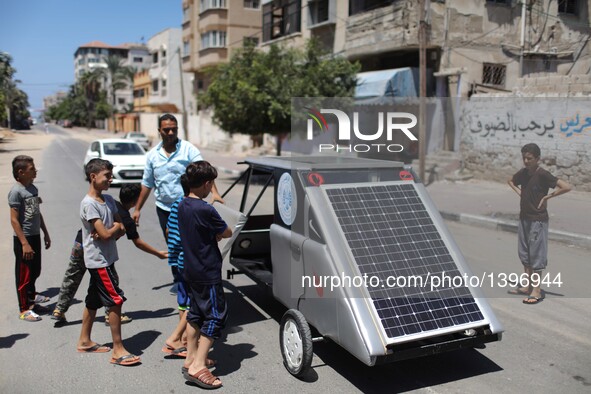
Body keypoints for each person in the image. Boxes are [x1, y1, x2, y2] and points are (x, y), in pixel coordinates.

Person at [132, 113, 223, 292]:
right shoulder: (152, 156)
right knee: (173, 244)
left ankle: (194, 278)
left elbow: (204, 171)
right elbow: (147, 183)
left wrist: (215, 193)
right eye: (167, 129)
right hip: (164, 208)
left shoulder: (188, 150)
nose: (171, 132)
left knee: (192, 242)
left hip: (188, 207)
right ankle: (179, 279)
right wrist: (137, 209)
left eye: (174, 129)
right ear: (160, 131)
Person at [52, 183, 168, 323]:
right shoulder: (123, 216)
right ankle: (111, 313)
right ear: (135, 201)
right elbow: (137, 242)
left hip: (80, 242)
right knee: (111, 280)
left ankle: (60, 309)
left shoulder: (111, 203)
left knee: (72, 275)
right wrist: (158, 253)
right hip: (98, 252)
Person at [77, 158, 140, 366]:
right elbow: (106, 233)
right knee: (115, 300)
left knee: (93, 300)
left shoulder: (109, 200)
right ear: (93, 177)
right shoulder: (89, 204)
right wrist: (112, 229)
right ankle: (118, 349)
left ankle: (85, 340)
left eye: (111, 176)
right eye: (107, 176)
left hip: (108, 258)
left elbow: (120, 227)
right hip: (99, 261)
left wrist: (112, 229)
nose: (110, 180)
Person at [179, 161, 232, 389]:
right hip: (207, 270)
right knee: (215, 315)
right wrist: (217, 234)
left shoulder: (183, 204)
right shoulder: (205, 209)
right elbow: (227, 231)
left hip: (191, 268)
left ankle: (191, 356)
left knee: (195, 314)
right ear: (208, 183)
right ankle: (198, 365)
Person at [508, 143, 571, 305]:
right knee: (525, 254)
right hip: (524, 218)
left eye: (529, 158)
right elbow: (510, 181)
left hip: (538, 220)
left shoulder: (543, 174)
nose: (526, 161)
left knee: (536, 256)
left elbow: (567, 187)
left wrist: (547, 197)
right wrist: (520, 193)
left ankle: (536, 291)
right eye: (524, 158)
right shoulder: (523, 174)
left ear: (537, 158)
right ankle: (527, 287)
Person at [9, 155, 51, 322]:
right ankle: (24, 308)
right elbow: (13, 220)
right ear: (21, 172)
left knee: (35, 271)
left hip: (35, 236)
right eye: (32, 169)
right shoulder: (16, 192)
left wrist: (45, 233)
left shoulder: (32, 189)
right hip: (24, 239)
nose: (35, 171)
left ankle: (32, 302)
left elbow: (36, 213)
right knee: (24, 275)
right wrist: (24, 243)